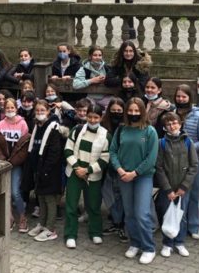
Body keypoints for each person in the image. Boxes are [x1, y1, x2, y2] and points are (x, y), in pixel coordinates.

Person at [109, 97, 159, 264]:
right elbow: (113, 151)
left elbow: (151, 158)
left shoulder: (150, 131)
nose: (133, 113)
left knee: (142, 213)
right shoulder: (121, 129)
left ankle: (148, 247)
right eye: (130, 110)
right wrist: (119, 169)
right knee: (129, 212)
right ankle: (135, 243)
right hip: (124, 175)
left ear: (142, 112)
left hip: (143, 177)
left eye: (136, 111)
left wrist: (135, 173)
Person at [63, 101, 109, 248]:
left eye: (96, 117)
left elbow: (105, 159)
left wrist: (87, 170)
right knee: (71, 205)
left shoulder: (106, 135)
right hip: (74, 172)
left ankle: (95, 232)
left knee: (94, 206)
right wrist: (77, 167)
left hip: (92, 175)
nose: (92, 120)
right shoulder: (77, 130)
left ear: (101, 118)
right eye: (90, 117)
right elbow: (68, 150)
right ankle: (70, 235)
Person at [154, 112, 198, 258]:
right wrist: (167, 189)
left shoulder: (188, 142)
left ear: (180, 124)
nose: (172, 126)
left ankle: (180, 242)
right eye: (168, 124)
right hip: (168, 189)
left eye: (174, 123)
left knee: (181, 215)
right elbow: (159, 167)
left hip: (183, 189)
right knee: (167, 214)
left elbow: (194, 165)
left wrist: (184, 186)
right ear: (165, 127)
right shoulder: (161, 143)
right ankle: (167, 244)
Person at [23, 101, 64, 242]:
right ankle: (42, 223)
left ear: (48, 111)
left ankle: (50, 229)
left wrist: (45, 170)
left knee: (49, 199)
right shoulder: (37, 126)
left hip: (50, 170)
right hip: (38, 168)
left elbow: (54, 152)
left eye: (42, 110)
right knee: (40, 198)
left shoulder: (53, 127)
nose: (39, 113)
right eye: (37, 110)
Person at [174, 84, 199, 239]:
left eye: (184, 96)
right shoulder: (172, 113)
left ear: (189, 97)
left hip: (194, 161)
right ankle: (178, 224)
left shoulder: (198, 116)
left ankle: (195, 226)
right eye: (178, 96)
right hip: (175, 161)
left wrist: (187, 148)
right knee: (179, 194)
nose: (181, 99)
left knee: (195, 193)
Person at [0, 97, 30, 232]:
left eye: (12, 107)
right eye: (7, 108)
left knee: (15, 192)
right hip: (2, 163)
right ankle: (9, 217)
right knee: (4, 191)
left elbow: (24, 146)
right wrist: (2, 160)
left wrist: (13, 162)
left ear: (16, 108)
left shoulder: (23, 124)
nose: (9, 110)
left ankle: (22, 217)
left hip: (16, 163)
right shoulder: (0, 124)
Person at [100, 98, 128, 242]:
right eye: (113, 110)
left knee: (121, 197)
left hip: (122, 168)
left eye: (119, 110)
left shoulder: (127, 127)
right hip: (106, 167)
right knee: (109, 196)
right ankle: (115, 222)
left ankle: (122, 225)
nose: (116, 113)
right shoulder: (103, 125)